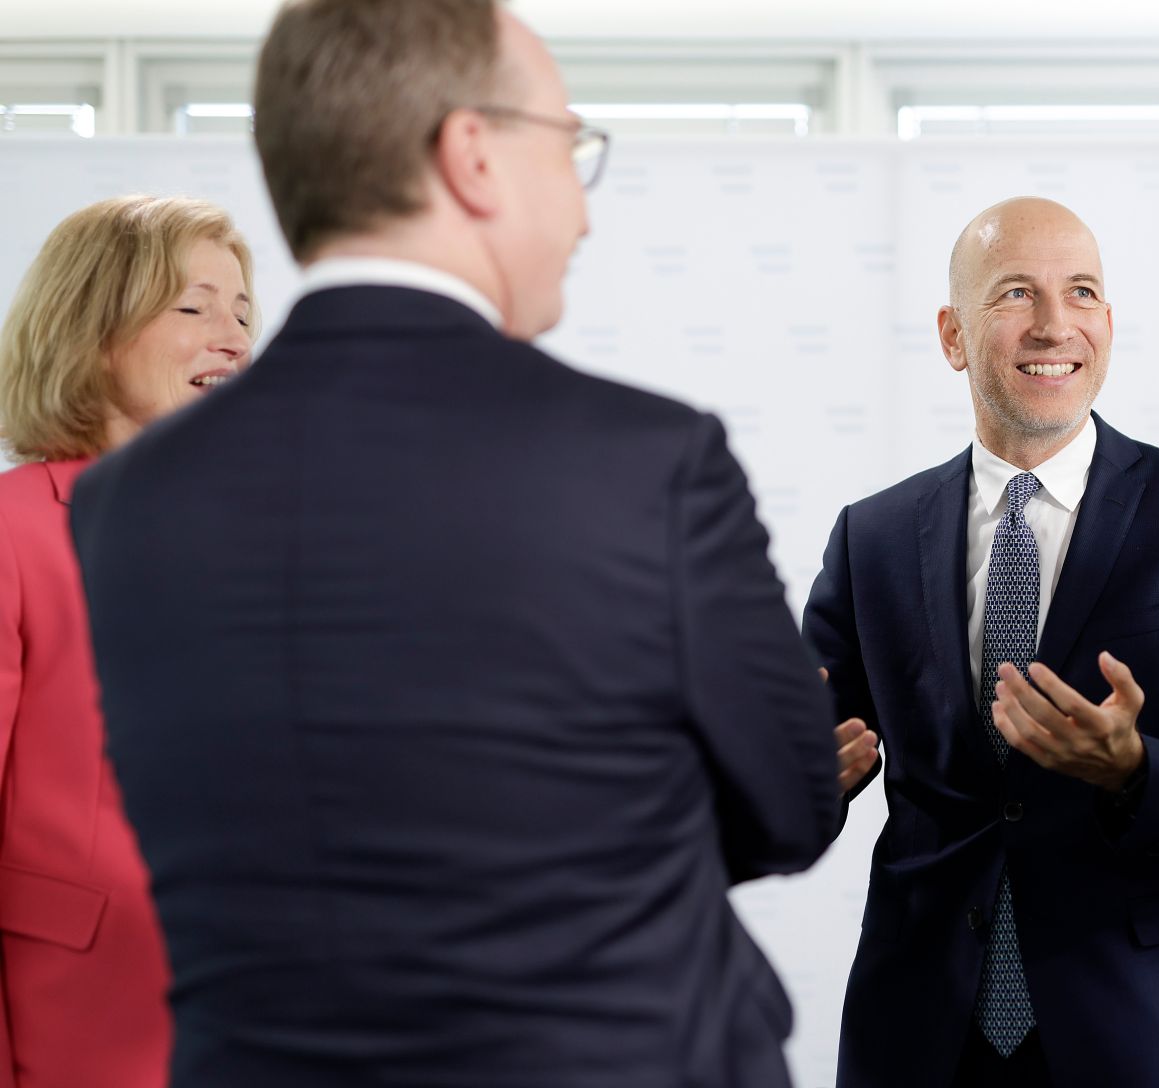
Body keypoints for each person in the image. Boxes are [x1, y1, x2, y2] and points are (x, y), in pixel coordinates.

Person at [68, 2, 840, 1086]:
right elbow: (794, 801)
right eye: (567, 144)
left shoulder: (122, 506)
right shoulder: (651, 460)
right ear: (472, 154)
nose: (580, 206)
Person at [806, 196, 1159, 1088]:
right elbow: (798, 763)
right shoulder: (870, 537)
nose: (1056, 325)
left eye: (1084, 293)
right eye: (1017, 293)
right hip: (918, 1033)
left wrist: (1136, 768)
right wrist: (787, 782)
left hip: (1138, 1029)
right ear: (953, 335)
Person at [0, 193, 256, 1088]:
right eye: (193, 306)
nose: (231, 336)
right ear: (94, 329)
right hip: (77, 1032)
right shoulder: (10, 531)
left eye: (242, 310)